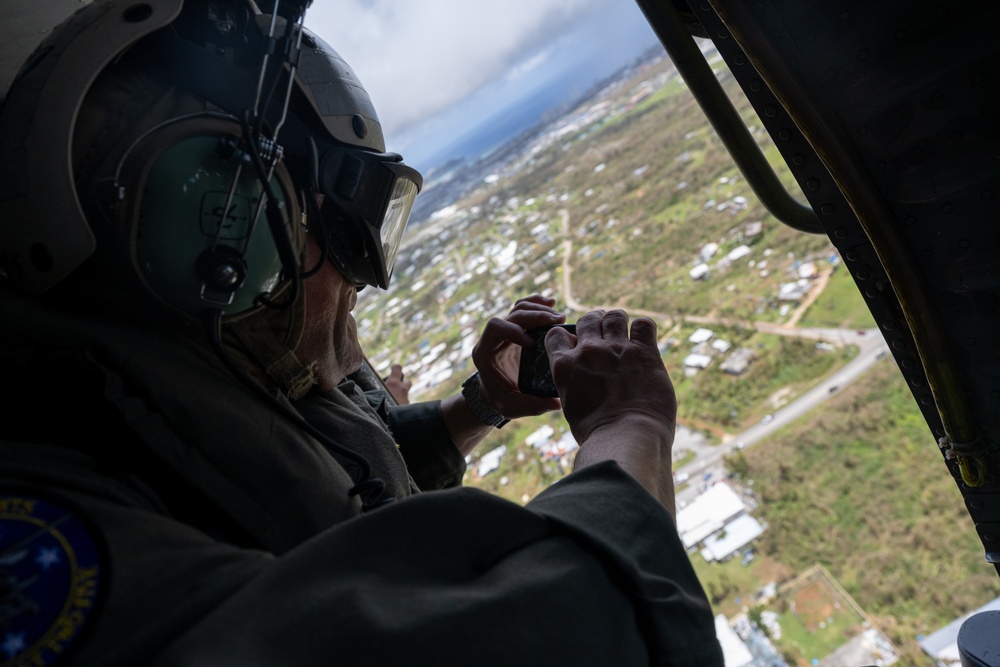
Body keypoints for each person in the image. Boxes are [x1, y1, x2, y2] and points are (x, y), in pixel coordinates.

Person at [0, 1, 724, 665]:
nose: (362, 277)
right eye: (348, 230)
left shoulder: (184, 378)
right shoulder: (49, 531)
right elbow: (573, 635)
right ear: (225, 241)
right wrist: (628, 425)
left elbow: (326, 481)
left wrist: (480, 406)